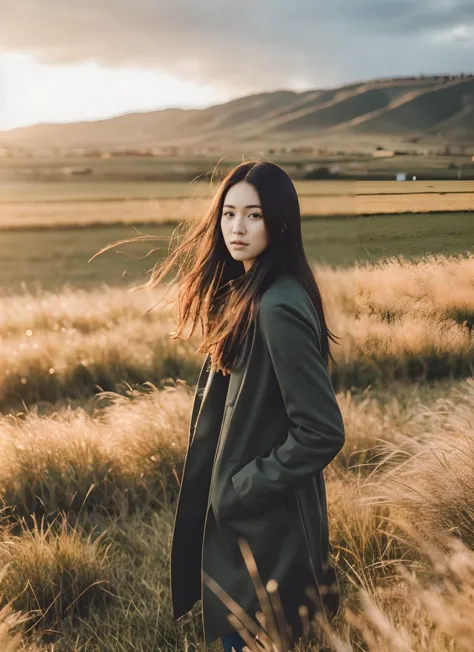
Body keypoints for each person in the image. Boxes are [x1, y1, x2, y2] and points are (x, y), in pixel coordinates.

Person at [103, 160, 346, 649]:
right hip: (252, 524)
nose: (237, 228)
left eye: (253, 215)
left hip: (268, 529)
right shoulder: (251, 291)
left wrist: (244, 486)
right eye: (229, 213)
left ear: (279, 221)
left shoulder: (277, 305)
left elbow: (322, 430)